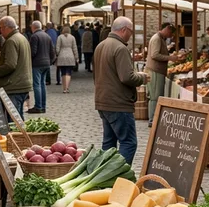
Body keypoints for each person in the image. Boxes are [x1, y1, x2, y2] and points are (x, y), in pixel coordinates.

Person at [93, 16, 150, 165]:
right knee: (128, 143)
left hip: (103, 101)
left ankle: (104, 174)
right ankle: (118, 175)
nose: (130, 36)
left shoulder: (101, 45)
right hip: (118, 103)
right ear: (124, 30)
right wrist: (142, 77)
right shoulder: (120, 48)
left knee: (108, 142)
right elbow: (127, 77)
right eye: (130, 32)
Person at [0, 16, 32, 119]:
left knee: (13, 120)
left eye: (1, 28)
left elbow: (10, 65)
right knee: (18, 118)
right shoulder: (21, 38)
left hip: (13, 86)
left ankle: (16, 135)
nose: (0, 31)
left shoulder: (11, 41)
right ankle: (21, 135)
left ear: (6, 27)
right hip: (21, 83)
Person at [146, 22, 176, 126]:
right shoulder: (157, 39)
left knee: (156, 95)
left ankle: (154, 118)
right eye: (171, 32)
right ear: (167, 29)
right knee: (155, 96)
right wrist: (170, 58)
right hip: (155, 70)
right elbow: (155, 55)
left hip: (158, 70)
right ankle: (153, 119)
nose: (171, 35)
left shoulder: (160, 38)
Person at [29, 20, 55, 114]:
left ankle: (38, 106)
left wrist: (29, 61)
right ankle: (43, 106)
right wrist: (50, 61)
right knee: (42, 84)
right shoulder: (47, 36)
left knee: (37, 85)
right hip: (46, 63)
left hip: (37, 64)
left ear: (33, 27)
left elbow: (33, 52)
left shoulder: (34, 36)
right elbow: (52, 51)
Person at [55, 25, 79, 93]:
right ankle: (67, 88)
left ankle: (64, 88)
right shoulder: (72, 37)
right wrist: (76, 57)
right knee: (68, 72)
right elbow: (75, 48)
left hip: (62, 56)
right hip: (70, 55)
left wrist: (57, 54)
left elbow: (57, 48)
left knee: (63, 73)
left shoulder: (60, 37)